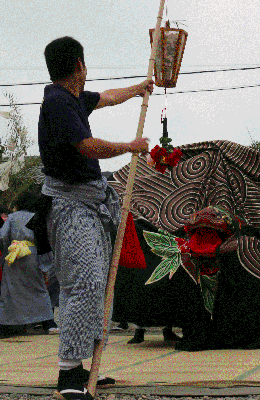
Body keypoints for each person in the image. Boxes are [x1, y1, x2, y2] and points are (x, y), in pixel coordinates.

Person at [38, 36, 152, 400]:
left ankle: (88, 367)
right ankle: (68, 372)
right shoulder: (57, 102)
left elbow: (106, 97)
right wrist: (129, 147)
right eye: (85, 65)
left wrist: (141, 88)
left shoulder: (72, 99)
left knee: (99, 286)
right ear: (79, 66)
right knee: (81, 283)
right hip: (70, 206)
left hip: (91, 203)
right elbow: (88, 147)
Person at [0, 189, 56, 339]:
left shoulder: (12, 217)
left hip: (13, 256)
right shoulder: (38, 217)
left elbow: (1, 236)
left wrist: (8, 247)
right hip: (32, 255)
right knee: (38, 289)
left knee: (8, 291)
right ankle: (49, 323)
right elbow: (45, 238)